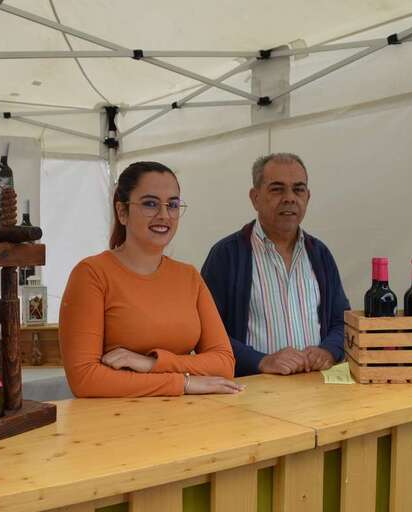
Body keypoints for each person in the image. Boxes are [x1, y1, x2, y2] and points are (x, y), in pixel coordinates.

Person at [59, 161, 242, 397]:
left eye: (172, 205)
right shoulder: (91, 274)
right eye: (150, 204)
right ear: (122, 212)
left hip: (188, 415)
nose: (164, 215)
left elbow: (224, 364)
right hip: (117, 418)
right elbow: (85, 379)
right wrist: (183, 383)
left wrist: (151, 363)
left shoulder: (189, 277)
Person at [201, 153, 350, 377]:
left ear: (308, 197)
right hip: (253, 390)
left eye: (298, 189)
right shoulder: (226, 256)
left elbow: (342, 321)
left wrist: (328, 351)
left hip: (316, 389)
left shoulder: (320, 254)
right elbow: (206, 333)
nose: (289, 198)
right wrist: (261, 361)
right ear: (255, 198)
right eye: (277, 189)